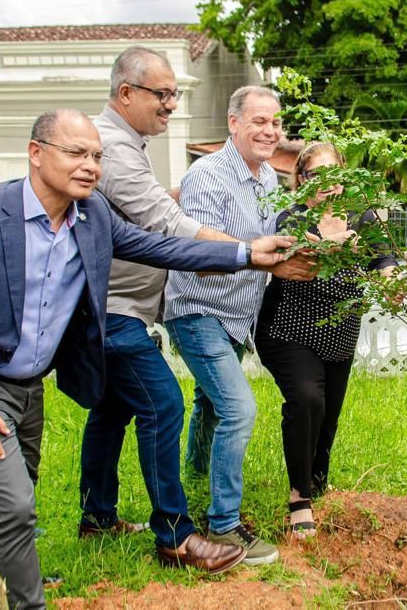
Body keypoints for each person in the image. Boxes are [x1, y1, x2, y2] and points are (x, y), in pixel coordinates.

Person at [0, 108, 294, 607]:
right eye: (76, 153)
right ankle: (27, 598)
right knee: (14, 506)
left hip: (30, 384)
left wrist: (248, 253)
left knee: (20, 490)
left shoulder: (92, 214)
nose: (90, 166)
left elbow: (161, 247)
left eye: (97, 156)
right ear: (36, 154)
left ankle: (16, 571)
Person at [79, 47, 272, 571]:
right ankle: (176, 537)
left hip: (126, 307)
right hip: (115, 308)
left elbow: (145, 208)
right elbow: (165, 222)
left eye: (174, 95)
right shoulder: (113, 146)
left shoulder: (129, 144)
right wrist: (245, 253)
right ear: (126, 94)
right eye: (161, 94)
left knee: (112, 410)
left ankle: (96, 517)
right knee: (163, 405)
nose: (170, 104)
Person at [165, 85, 313, 564]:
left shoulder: (269, 177)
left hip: (236, 315)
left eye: (275, 122)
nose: (270, 130)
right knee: (239, 408)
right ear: (233, 123)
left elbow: (267, 240)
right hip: (198, 308)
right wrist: (270, 263)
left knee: (209, 401)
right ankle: (224, 525)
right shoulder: (206, 175)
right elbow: (201, 257)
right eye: (259, 121)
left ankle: (194, 472)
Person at [256, 143, 397, 538]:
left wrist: (392, 282)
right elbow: (297, 255)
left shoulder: (364, 218)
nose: (328, 185)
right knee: (307, 400)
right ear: (302, 180)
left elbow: (384, 259)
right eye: (317, 176)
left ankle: (318, 483)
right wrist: (334, 246)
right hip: (288, 330)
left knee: (328, 414)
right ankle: (299, 497)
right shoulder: (293, 217)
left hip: (340, 333)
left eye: (336, 176)